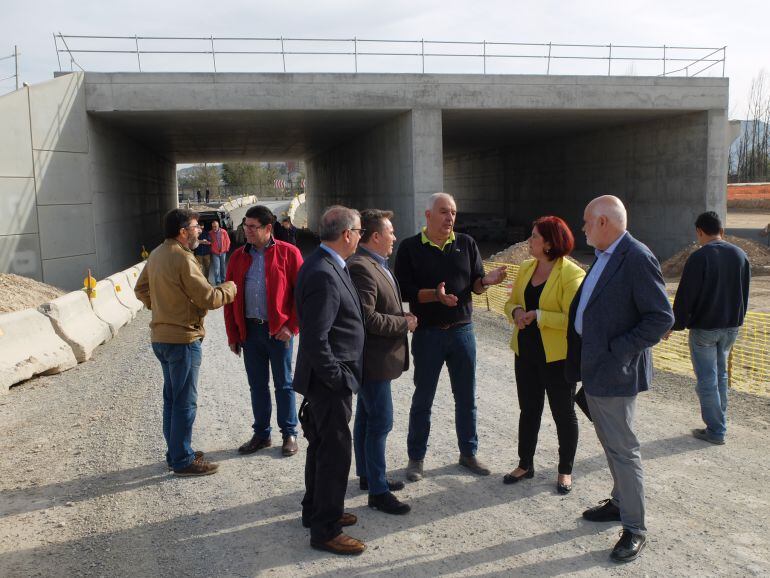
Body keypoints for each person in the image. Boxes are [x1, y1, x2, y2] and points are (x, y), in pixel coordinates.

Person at [565, 195, 673, 563]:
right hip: (596, 371)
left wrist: (617, 348)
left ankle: (635, 527)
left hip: (615, 371)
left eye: (586, 221)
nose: (582, 228)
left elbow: (661, 318)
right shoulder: (604, 255)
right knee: (612, 446)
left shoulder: (636, 257)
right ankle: (618, 503)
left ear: (604, 223)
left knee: (624, 451)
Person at [394, 192, 507, 481]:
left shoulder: (466, 243)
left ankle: (468, 453)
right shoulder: (409, 248)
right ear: (428, 215)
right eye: (444, 212)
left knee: (466, 396)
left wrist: (486, 282)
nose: (450, 218)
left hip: (463, 332)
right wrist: (435, 296)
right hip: (428, 334)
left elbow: (476, 284)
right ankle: (416, 458)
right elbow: (403, 291)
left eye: (454, 212)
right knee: (423, 397)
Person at [134, 208, 237, 476]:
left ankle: (176, 452)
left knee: (172, 399)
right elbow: (209, 298)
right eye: (195, 226)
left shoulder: (157, 254)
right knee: (184, 402)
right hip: (182, 339)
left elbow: (140, 289)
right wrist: (231, 287)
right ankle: (182, 459)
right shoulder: (183, 258)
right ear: (182, 231)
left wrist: (162, 308)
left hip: (162, 337)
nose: (199, 229)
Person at [294, 206, 367, 555]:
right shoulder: (324, 272)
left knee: (322, 448)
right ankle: (326, 529)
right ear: (347, 234)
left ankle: (317, 510)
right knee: (335, 453)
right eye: (360, 231)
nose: (361, 237)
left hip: (326, 379)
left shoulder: (326, 264)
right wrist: (337, 378)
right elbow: (314, 338)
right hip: (329, 382)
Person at [503, 216, 585, 493]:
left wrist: (539, 315)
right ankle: (525, 464)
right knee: (529, 410)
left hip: (557, 357)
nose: (530, 240)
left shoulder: (572, 274)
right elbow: (511, 302)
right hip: (525, 352)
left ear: (550, 243)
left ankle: (565, 470)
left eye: (535, 236)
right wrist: (515, 312)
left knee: (563, 414)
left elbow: (573, 320)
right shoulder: (526, 267)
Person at [349, 209, 416, 516]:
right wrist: (404, 323)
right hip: (373, 360)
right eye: (390, 232)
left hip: (375, 361)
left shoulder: (377, 263)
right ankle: (377, 491)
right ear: (375, 236)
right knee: (380, 423)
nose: (394, 237)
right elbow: (368, 317)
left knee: (366, 418)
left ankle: (367, 476)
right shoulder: (362, 267)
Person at [224, 205, 304, 457]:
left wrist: (291, 327)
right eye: (245, 226)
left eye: (252, 227)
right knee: (257, 385)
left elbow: (302, 296)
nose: (246, 231)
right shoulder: (237, 256)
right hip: (251, 332)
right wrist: (233, 335)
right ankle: (261, 434)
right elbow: (230, 299)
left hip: (278, 332)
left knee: (284, 384)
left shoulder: (289, 253)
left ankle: (289, 433)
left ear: (268, 228)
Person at [664, 211, 750, 445]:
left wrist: (674, 324)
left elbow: (685, 297)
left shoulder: (700, 258)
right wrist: (738, 319)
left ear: (700, 232)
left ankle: (716, 429)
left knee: (707, 379)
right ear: (721, 230)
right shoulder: (741, 255)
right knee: (720, 375)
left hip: (705, 328)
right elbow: (745, 292)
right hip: (731, 326)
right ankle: (718, 422)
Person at [209, 220, 231, 285]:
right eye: (213, 227)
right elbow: (209, 242)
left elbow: (228, 241)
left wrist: (227, 248)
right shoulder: (210, 233)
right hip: (215, 253)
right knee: (216, 268)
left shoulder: (223, 232)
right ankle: (217, 281)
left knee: (223, 267)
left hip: (223, 252)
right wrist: (212, 249)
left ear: (218, 226)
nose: (214, 228)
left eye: (215, 226)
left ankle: (223, 279)